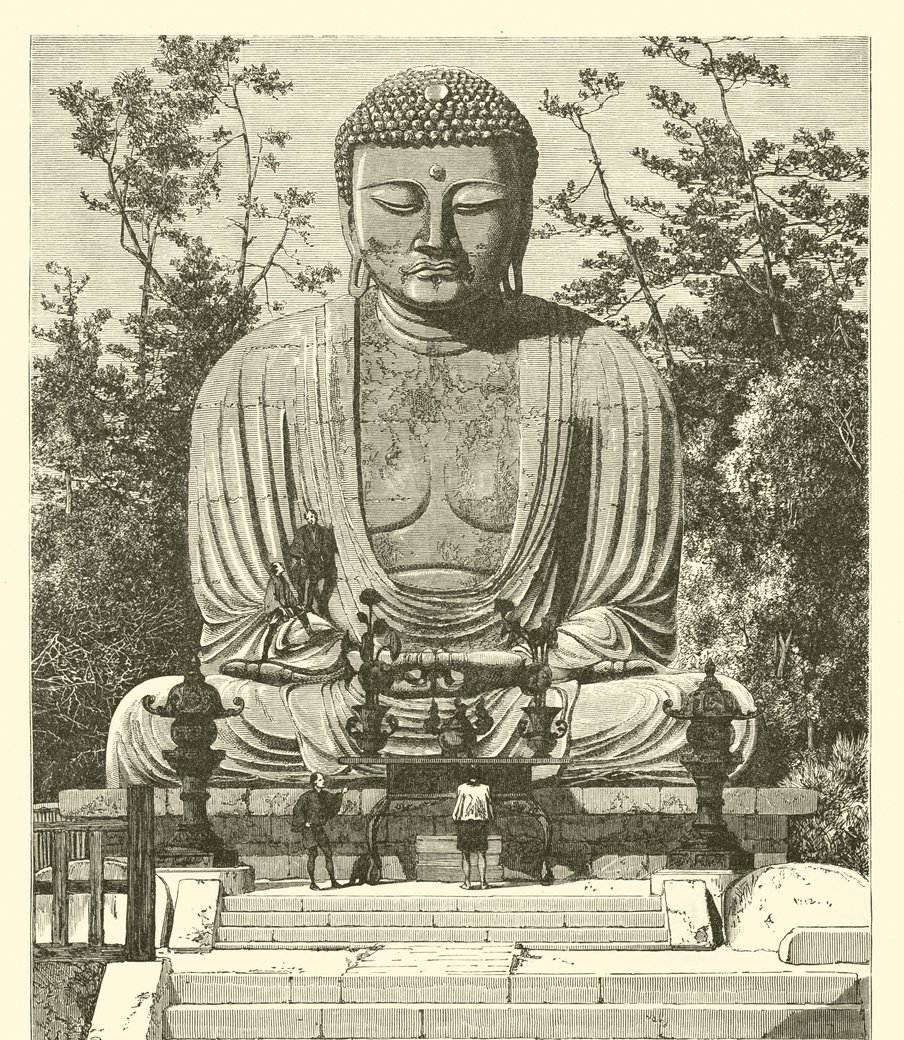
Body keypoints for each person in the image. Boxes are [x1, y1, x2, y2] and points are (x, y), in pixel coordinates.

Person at [108, 65, 756, 787]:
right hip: (339, 705)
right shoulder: (261, 374)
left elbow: (631, 622)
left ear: (525, 215)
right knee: (153, 724)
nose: (434, 237)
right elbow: (240, 623)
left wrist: (520, 668)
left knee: (720, 715)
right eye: (396, 202)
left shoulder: (603, 371)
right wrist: (353, 670)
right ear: (348, 212)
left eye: (475, 204)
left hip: (534, 703)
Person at [291, 772, 343, 890]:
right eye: (320, 780)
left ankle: (333, 881)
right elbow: (297, 810)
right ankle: (313, 883)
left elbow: (334, 801)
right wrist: (304, 823)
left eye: (322, 779)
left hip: (319, 829)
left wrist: (341, 794)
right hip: (309, 830)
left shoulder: (325, 795)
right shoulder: (306, 797)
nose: (323, 781)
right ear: (314, 783)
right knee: (313, 855)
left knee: (328, 853)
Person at [288, 509, 337, 617]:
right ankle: (305, 605)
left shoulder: (323, 531)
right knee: (303, 579)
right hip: (306, 561)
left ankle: (317, 606)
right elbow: (296, 546)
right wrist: (300, 556)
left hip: (319, 562)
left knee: (323, 579)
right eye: (309, 517)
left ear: (316, 518)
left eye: (313, 517)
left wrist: (324, 556)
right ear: (306, 519)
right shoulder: (301, 531)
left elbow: (327, 546)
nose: (312, 520)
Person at [453, 767, 493, 890]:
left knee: (465, 855)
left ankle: (467, 882)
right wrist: (489, 818)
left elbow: (458, 807)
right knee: (481, 854)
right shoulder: (485, 788)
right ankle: (483, 882)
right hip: (481, 823)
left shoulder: (462, 788)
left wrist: (455, 817)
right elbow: (489, 805)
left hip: (466, 824)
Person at [261, 560, 309, 661]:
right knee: (272, 631)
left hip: (284, 607)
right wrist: (279, 608)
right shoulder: (272, 581)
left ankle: (310, 632)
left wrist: (296, 605)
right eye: (280, 565)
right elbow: (270, 598)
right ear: (276, 570)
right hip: (276, 610)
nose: (282, 566)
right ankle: (264, 655)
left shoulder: (283, 579)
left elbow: (289, 595)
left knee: (301, 612)